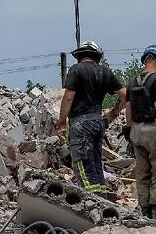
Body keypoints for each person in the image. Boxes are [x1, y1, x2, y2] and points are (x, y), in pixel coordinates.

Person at [55, 41, 126, 197]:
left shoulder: (76, 70)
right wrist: (113, 113)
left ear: (79, 56)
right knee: (95, 165)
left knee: (82, 165)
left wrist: (61, 122)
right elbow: (125, 95)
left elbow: (68, 97)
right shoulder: (105, 72)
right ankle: (102, 201)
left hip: (80, 124)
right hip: (97, 122)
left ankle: (92, 204)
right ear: (97, 56)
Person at [122, 45, 156, 221]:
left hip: (136, 130)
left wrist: (129, 132)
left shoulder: (132, 81)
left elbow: (128, 110)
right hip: (155, 130)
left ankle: (144, 211)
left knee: (142, 172)